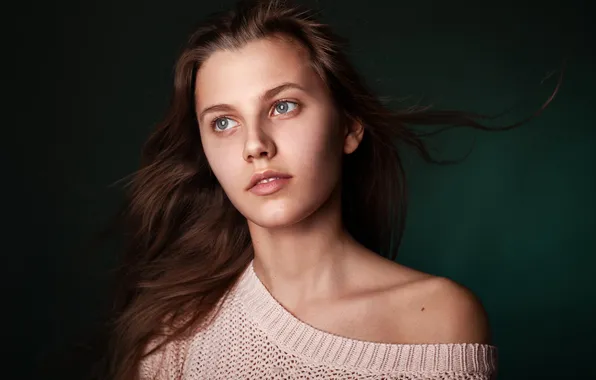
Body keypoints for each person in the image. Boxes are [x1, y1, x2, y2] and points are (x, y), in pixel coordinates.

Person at [104, 0, 556, 379]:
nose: (255, 145)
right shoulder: (175, 337)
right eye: (223, 122)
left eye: (283, 106)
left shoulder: (439, 320)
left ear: (348, 127)